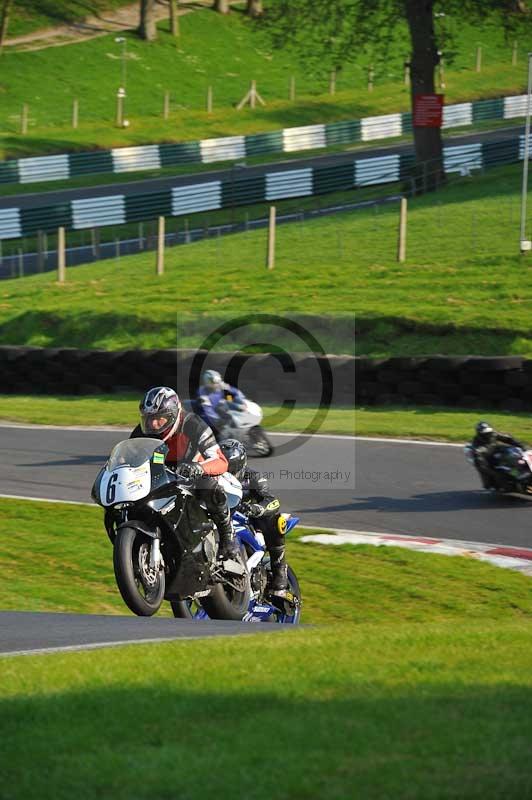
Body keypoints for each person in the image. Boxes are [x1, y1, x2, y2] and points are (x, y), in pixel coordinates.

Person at [130, 386, 239, 558]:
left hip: (195, 473)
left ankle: (227, 535)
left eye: (160, 418)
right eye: (148, 418)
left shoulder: (193, 424)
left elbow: (220, 461)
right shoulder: (142, 432)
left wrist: (199, 468)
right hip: (162, 477)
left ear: (173, 415)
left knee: (209, 485)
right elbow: (131, 459)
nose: (153, 424)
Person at [219, 438, 289, 596]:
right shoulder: (212, 478)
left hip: (252, 520)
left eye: (231, 468)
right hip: (223, 516)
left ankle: (280, 571)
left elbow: (272, 501)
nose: (227, 472)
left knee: (277, 521)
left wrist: (255, 508)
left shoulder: (253, 477)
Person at [470, 421, 526, 489]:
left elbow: (508, 438)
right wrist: (488, 470)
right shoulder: (477, 445)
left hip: (497, 450)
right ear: (480, 434)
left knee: (513, 451)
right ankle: (504, 486)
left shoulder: (493, 434)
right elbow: (479, 460)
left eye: (489, 432)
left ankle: (523, 468)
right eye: (486, 433)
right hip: (488, 459)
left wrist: (521, 446)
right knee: (498, 473)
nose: (489, 434)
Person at [196, 369, 247, 439]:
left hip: (222, 415)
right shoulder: (202, 393)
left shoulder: (220, 388)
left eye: (218, 380)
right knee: (224, 436)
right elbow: (207, 410)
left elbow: (232, 396)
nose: (218, 383)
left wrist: (240, 403)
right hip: (209, 421)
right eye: (215, 381)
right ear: (208, 381)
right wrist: (218, 420)